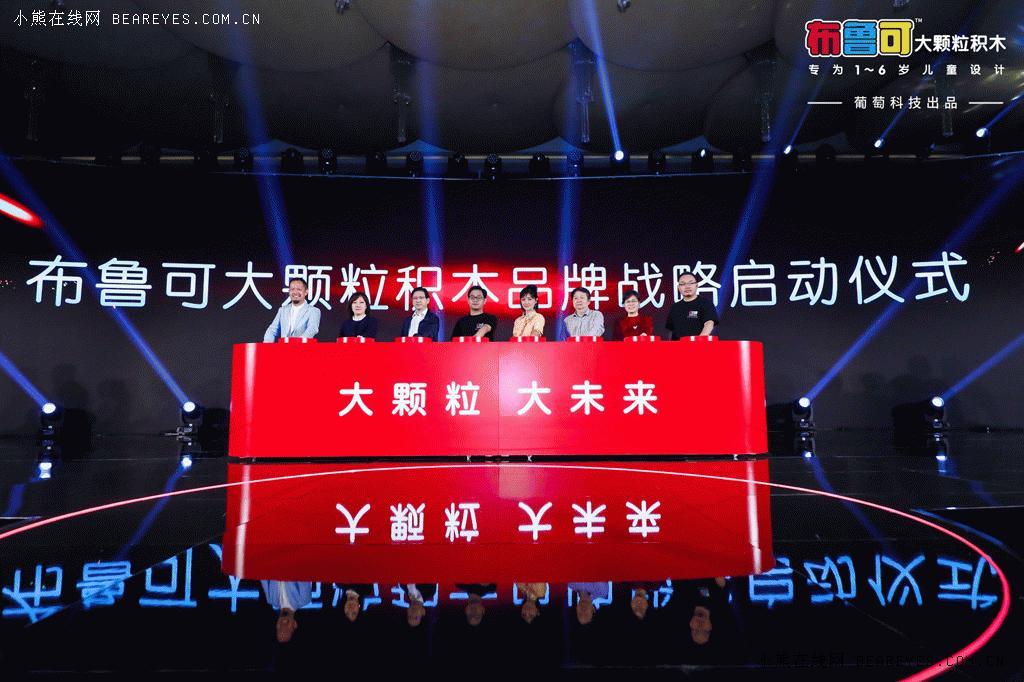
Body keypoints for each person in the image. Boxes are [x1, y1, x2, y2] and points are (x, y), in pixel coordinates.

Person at [263, 277, 321, 343]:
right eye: (292, 289)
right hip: (284, 347)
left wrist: (297, 343)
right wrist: (267, 345)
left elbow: (312, 329)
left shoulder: (314, 311)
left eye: (299, 289)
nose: (295, 292)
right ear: (289, 291)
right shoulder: (283, 310)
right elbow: (272, 330)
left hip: (303, 347)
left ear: (306, 292)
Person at [665, 272, 718, 339]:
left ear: (696, 285)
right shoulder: (675, 307)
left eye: (691, 283)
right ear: (678, 287)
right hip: (677, 345)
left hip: (698, 344)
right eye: (683, 284)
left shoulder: (705, 303)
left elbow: (709, 323)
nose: (687, 286)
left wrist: (699, 340)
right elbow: (671, 330)